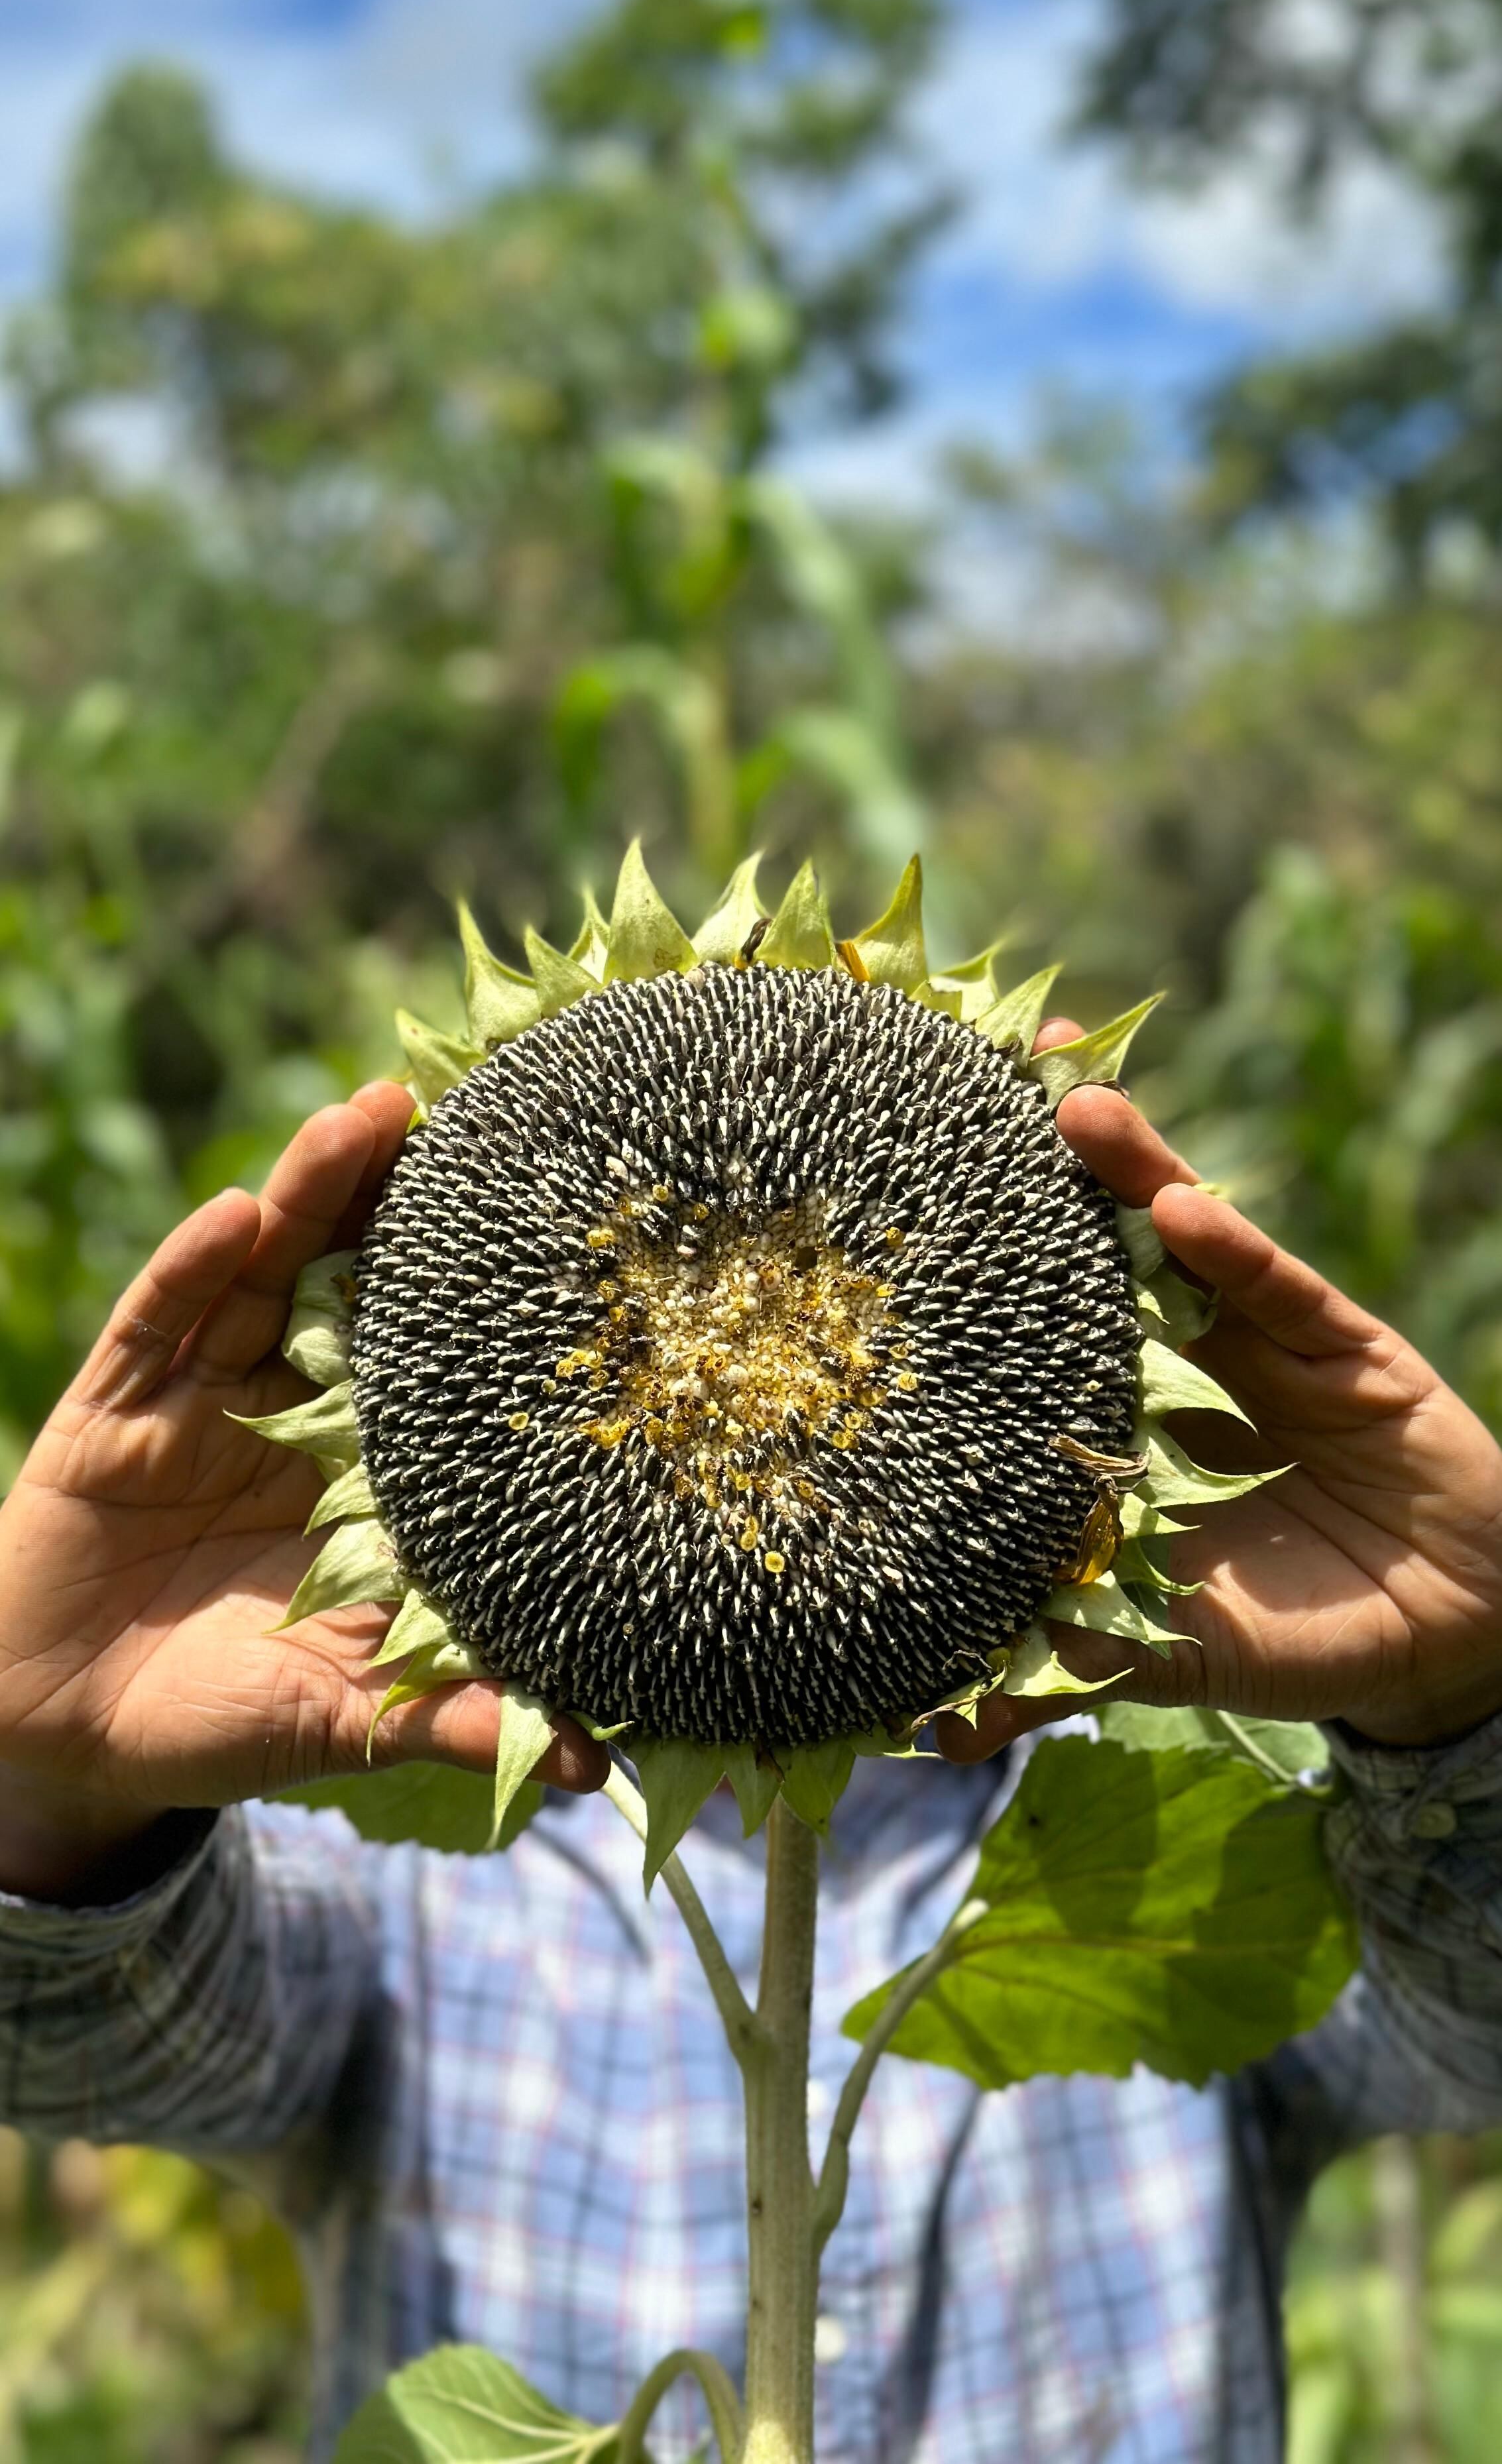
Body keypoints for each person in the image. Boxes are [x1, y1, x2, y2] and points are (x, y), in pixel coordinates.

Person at [1, 1031, 1501, 2464]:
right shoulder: (412, 1889)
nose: (743, 1345)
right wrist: (52, 1790)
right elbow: (83, 2041)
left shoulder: (1190, 1865)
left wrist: (1464, 1698)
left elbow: (1466, 2032)